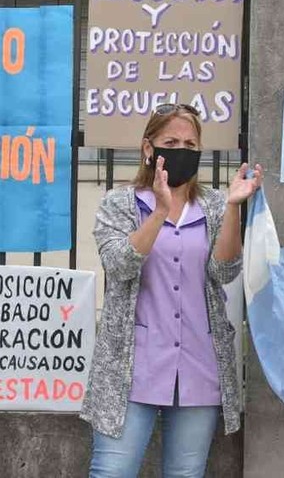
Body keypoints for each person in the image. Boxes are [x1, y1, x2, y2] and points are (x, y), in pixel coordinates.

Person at [81, 103, 262, 477]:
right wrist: (161, 211)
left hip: (198, 363)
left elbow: (224, 270)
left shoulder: (211, 205)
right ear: (149, 149)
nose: (182, 149)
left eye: (190, 144)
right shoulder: (119, 203)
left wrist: (231, 208)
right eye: (171, 141)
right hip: (132, 368)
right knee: (112, 471)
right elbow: (119, 265)